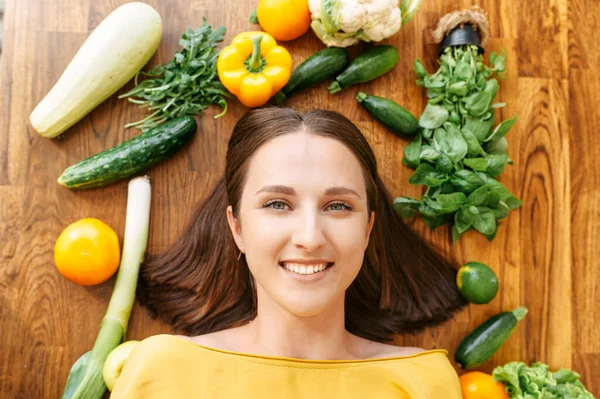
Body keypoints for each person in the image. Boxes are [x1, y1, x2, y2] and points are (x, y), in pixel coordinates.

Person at [110, 108, 467, 398]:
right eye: (278, 204)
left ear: (367, 230)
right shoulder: (162, 372)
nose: (310, 237)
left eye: (338, 206)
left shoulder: (424, 382)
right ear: (237, 228)